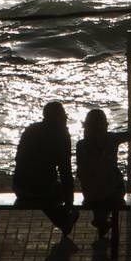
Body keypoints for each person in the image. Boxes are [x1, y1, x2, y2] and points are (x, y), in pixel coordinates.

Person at [75, 106, 131, 236]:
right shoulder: (112, 139)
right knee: (110, 180)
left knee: (96, 180)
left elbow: (81, 172)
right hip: (111, 193)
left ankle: (101, 219)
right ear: (104, 126)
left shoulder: (81, 145)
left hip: (90, 194)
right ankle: (102, 219)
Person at [12, 100, 78, 236]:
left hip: (20, 187)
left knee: (46, 191)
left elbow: (19, 159)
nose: (66, 118)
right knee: (53, 192)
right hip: (42, 190)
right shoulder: (61, 136)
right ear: (58, 118)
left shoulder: (31, 130)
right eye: (63, 115)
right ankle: (64, 220)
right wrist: (70, 199)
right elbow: (65, 170)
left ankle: (63, 221)